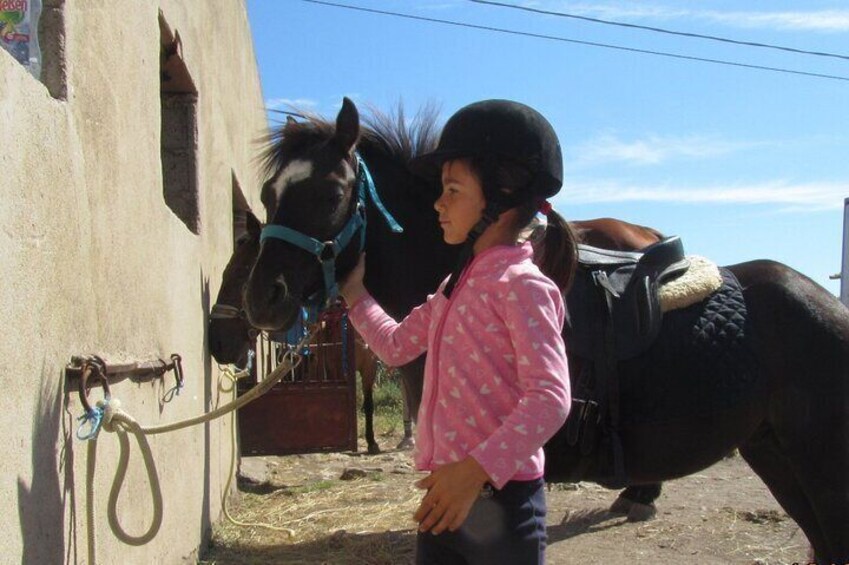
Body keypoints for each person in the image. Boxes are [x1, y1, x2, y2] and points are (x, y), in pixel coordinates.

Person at [340, 99, 576, 564]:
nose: (438, 203)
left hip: (500, 503)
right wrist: (354, 295)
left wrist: (474, 473)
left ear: (501, 196)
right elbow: (394, 346)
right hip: (444, 497)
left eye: (452, 189)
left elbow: (551, 397)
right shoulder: (457, 286)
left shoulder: (523, 286)